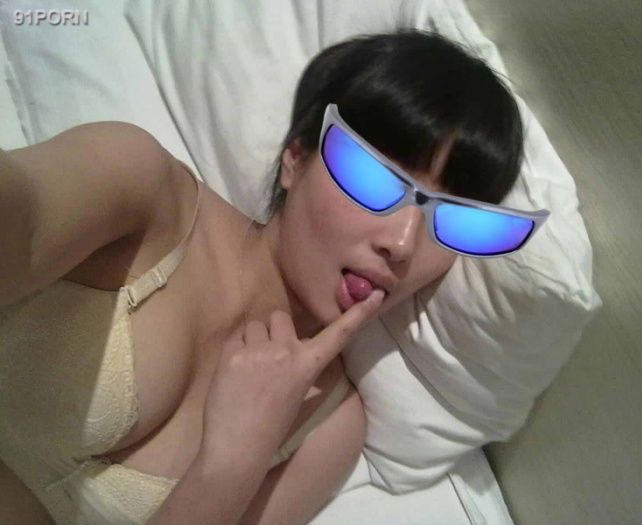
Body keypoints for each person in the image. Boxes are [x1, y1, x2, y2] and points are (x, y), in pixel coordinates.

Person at [0, 30, 543, 525]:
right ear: (295, 159)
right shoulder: (141, 191)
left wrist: (232, 463)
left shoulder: (330, 430)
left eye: (456, 220)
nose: (402, 244)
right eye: (373, 177)